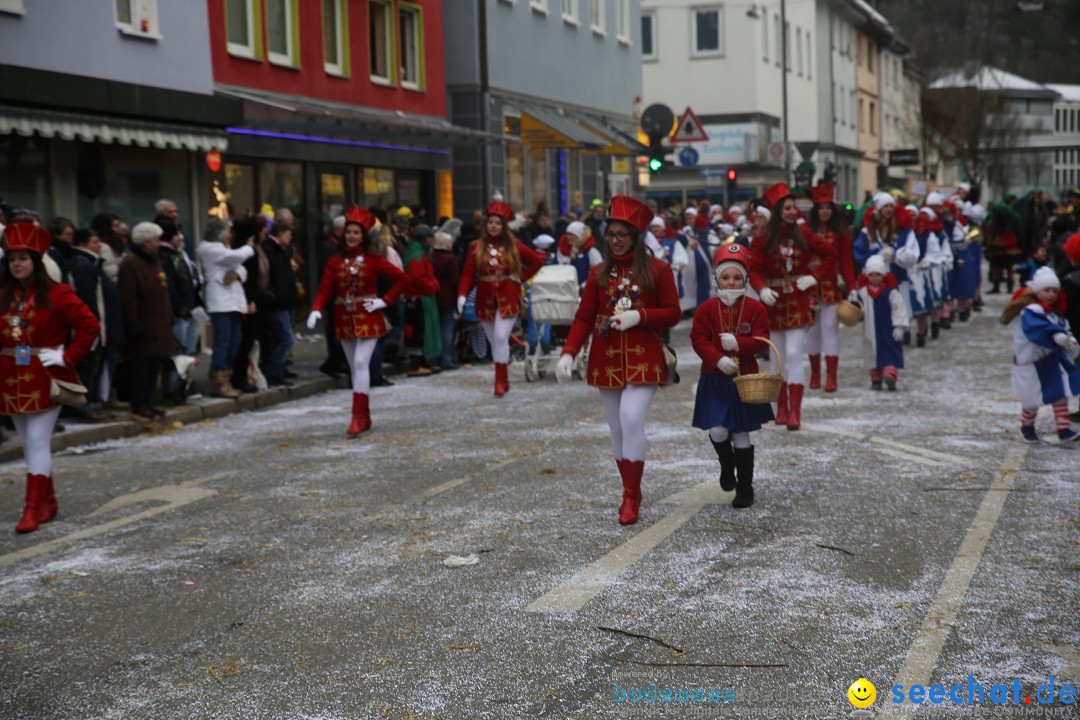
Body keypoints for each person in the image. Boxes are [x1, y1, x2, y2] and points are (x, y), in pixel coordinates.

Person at [555, 196, 681, 525]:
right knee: (616, 428)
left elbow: (673, 313)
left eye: (620, 235)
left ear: (636, 237)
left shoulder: (659, 270)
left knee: (631, 418)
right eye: (609, 234)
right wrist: (568, 352)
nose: (614, 241)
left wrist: (640, 316)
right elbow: (584, 317)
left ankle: (630, 498)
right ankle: (630, 489)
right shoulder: (598, 272)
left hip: (645, 356)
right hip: (605, 357)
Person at [1, 223, 100, 532]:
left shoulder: (59, 293)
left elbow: (89, 326)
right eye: (12, 258)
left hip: (46, 375)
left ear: (36, 261)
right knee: (30, 444)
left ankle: (31, 509)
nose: (17, 264)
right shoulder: (4, 296)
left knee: (36, 440)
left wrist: (67, 356)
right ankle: (49, 500)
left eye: (23, 258)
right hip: (9, 378)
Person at [307, 207, 410, 436]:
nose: (351, 236)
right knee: (355, 367)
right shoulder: (335, 261)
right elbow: (325, 288)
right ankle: (364, 415)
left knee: (362, 363)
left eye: (356, 232)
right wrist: (315, 308)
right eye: (348, 232)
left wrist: (384, 302)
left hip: (368, 315)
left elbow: (402, 279)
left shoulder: (374, 260)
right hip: (343, 317)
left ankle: (356, 417)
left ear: (363, 236)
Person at [748, 183, 837, 431]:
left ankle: (795, 411)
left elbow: (830, 254)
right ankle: (782, 407)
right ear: (776, 211)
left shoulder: (804, 233)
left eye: (793, 207)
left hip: (797, 300)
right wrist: (761, 288)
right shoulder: (762, 237)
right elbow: (753, 269)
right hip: (774, 303)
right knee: (778, 358)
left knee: (794, 353)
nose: (792, 211)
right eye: (787, 208)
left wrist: (815, 277)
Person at [690, 244, 773, 508]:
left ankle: (745, 488)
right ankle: (727, 465)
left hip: (744, 380)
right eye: (726, 277)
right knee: (717, 428)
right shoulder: (705, 308)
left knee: (741, 433)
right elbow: (698, 340)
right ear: (717, 279)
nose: (731, 282)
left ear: (745, 280)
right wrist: (718, 358)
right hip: (714, 379)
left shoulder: (755, 308)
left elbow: (762, 341)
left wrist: (739, 344)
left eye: (737, 277)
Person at [456, 202, 546, 397]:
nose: (493, 226)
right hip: (484, 298)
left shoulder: (514, 245)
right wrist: (462, 295)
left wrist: (520, 278)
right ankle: (503, 379)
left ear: (504, 226)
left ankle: (498, 382)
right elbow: (467, 274)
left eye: (498, 222)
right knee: (495, 341)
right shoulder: (475, 247)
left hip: (508, 296)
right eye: (490, 222)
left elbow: (537, 261)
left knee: (499, 337)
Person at [1005, 267, 1080, 443]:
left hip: (1052, 361)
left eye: (1054, 290)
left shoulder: (1054, 314)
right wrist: (1056, 335)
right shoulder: (1031, 310)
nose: (1051, 294)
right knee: (1031, 400)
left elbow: (1064, 330)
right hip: (1032, 362)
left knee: (1059, 394)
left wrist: (1070, 342)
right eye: (1046, 290)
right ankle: (1027, 427)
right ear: (1037, 290)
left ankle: (1063, 429)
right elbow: (1036, 329)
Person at [118, 222, 174, 420]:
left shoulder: (154, 261)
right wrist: (132, 322)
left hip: (159, 324)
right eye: (155, 240)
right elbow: (128, 296)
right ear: (145, 242)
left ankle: (149, 401)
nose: (158, 243)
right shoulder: (131, 263)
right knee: (141, 368)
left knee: (154, 366)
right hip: (144, 324)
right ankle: (139, 403)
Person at [806, 183, 856, 393]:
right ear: (815, 210)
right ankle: (816, 373)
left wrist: (852, 286)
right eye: (820, 207)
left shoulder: (840, 231)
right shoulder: (805, 231)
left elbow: (846, 261)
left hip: (831, 286)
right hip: (808, 286)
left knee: (829, 328)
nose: (824, 211)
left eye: (827, 207)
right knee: (813, 331)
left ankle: (831, 376)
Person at [198, 218, 254, 399]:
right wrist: (248, 246)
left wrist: (236, 274)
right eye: (228, 231)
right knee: (223, 341)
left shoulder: (224, 249)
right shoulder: (209, 249)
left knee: (235, 340)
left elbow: (241, 269)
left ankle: (227, 378)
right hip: (220, 302)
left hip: (234, 301)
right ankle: (218, 381)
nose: (230, 235)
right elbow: (236, 258)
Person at [158, 221, 202, 404]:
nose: (181, 237)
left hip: (189, 311)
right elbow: (171, 286)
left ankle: (183, 386)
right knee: (177, 354)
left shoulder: (178, 255)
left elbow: (189, 282)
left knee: (188, 353)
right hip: (179, 313)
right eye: (177, 234)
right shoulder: (165, 257)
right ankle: (171, 390)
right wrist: (179, 307)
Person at [855, 255, 909, 391]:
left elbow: (899, 309)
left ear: (883, 275)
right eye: (871, 275)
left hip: (887, 327)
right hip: (870, 328)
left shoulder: (891, 293)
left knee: (889, 348)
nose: (874, 278)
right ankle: (876, 377)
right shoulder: (863, 293)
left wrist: (899, 326)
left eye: (878, 274)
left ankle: (890, 374)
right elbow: (857, 306)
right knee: (871, 349)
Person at [262, 220, 299, 387]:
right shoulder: (270, 249)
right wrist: (274, 295)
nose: (290, 237)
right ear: (280, 233)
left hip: (287, 300)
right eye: (288, 233)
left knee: (282, 339)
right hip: (277, 302)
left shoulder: (285, 250)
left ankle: (278, 372)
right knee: (286, 339)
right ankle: (272, 371)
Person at [401, 224, 442, 376]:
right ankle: (415, 365)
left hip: (422, 298)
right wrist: (433, 286)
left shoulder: (419, 253)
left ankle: (423, 362)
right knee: (418, 332)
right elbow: (418, 279)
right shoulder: (417, 256)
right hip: (418, 299)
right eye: (431, 237)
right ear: (425, 238)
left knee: (423, 331)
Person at [431, 230, 461, 370]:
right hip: (448, 297)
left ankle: (436, 358)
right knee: (447, 329)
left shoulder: (431, 256)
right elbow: (455, 280)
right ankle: (446, 359)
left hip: (433, 295)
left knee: (436, 329)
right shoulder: (450, 259)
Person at [556, 221, 601, 293]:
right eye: (567, 234)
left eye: (572, 235)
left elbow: (599, 273)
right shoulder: (562, 250)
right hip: (564, 293)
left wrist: (585, 286)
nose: (568, 237)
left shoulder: (591, 252)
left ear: (580, 236)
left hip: (584, 293)